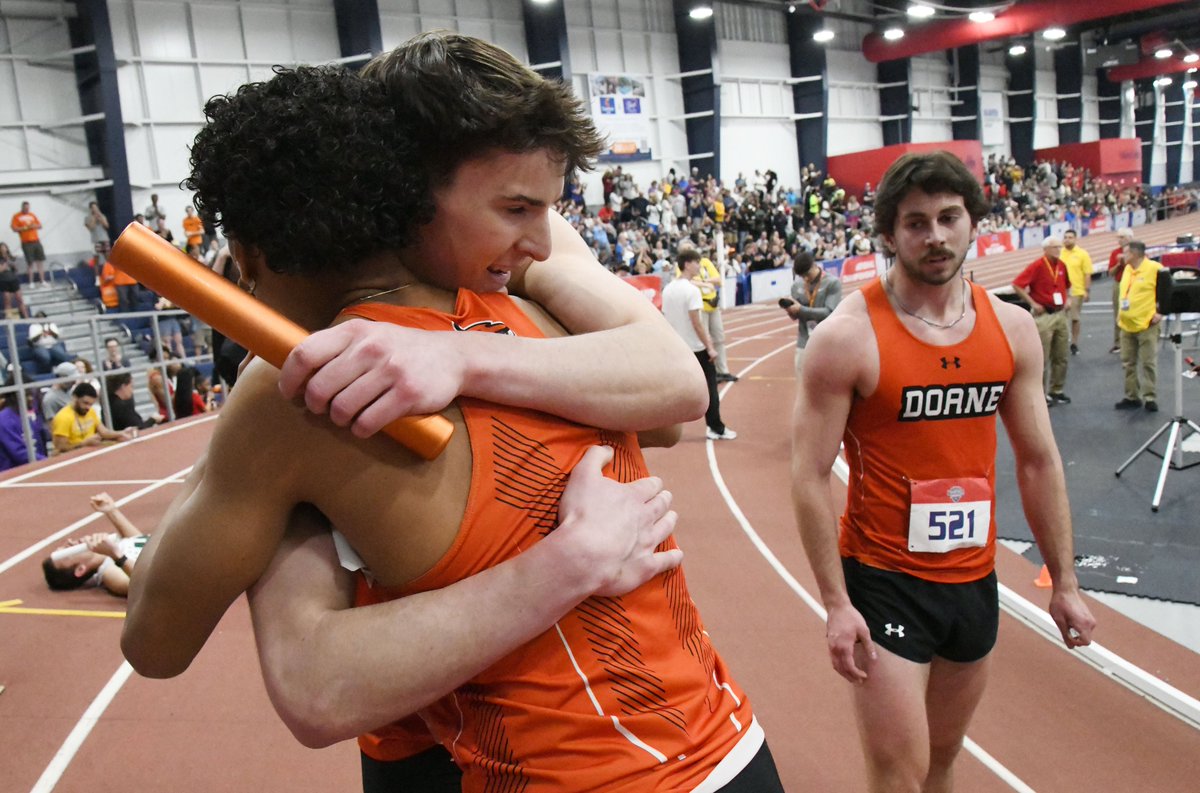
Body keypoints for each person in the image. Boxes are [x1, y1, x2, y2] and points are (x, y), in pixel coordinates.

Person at [123, 57, 779, 791]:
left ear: (244, 256)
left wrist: (259, 462)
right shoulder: (546, 311)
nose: (536, 239)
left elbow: (164, 642)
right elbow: (665, 410)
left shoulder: (293, 395)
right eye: (516, 210)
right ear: (411, 198)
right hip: (730, 744)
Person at [792, 151, 1095, 793]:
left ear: (973, 222)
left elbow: (1038, 460)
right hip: (885, 580)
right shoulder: (848, 338)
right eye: (916, 222)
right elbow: (810, 475)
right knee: (899, 771)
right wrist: (835, 602)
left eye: (949, 217)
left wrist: (1064, 582)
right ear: (888, 235)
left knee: (943, 757)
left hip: (972, 580)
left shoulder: (1010, 329)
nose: (935, 236)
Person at [663, 248, 736, 441]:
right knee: (711, 388)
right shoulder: (692, 291)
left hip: (677, 348)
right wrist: (710, 347)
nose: (699, 265)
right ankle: (715, 427)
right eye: (696, 262)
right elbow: (697, 322)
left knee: (674, 389)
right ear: (687, 264)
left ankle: (664, 428)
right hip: (695, 348)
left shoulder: (668, 289)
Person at [41, 492, 147, 596]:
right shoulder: (109, 572)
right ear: (80, 569)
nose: (70, 542)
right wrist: (117, 556)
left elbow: (140, 541)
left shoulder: (117, 550)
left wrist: (111, 511)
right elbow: (145, 585)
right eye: (67, 550)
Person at [1011, 236, 1072, 405]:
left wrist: (1069, 299)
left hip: (1060, 315)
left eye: (1059, 247)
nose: (1058, 250)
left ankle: (1057, 390)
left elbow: (1067, 284)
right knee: (1042, 357)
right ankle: (1040, 394)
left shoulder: (1061, 265)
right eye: (1055, 247)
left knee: (1061, 355)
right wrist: (1032, 303)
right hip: (1044, 316)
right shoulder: (1037, 265)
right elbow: (1017, 284)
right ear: (1045, 249)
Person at [1114, 240, 1164, 413]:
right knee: (1128, 362)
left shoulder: (1155, 268)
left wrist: (1160, 311)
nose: (1122, 255)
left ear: (1134, 254)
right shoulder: (1127, 268)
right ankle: (1131, 396)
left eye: (1125, 252)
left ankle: (1150, 397)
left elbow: (1166, 291)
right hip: (1126, 325)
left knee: (1148, 362)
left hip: (1146, 324)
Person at [782, 250, 841, 377]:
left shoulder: (832, 283)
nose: (805, 278)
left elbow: (829, 312)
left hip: (827, 342)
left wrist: (801, 310)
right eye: (802, 276)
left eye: (807, 274)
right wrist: (791, 311)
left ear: (814, 266)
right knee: (803, 386)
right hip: (804, 341)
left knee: (828, 385)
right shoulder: (797, 286)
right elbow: (795, 316)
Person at [49, 382, 132, 453]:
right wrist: (83, 444)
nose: (88, 407)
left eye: (91, 404)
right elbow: (60, 448)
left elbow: (103, 432)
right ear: (75, 398)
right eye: (85, 403)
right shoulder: (63, 418)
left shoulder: (90, 411)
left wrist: (121, 433)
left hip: (90, 452)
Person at [0, 374, 46, 471]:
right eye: (27, 395)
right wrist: (47, 462)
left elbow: (38, 446)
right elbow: (19, 454)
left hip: (31, 469)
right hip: (12, 474)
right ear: (14, 397)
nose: (31, 398)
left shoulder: (25, 416)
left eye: (32, 394)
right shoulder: (4, 420)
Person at [1060, 229, 1092, 355]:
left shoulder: (1082, 254)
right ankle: (1062, 341)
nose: (1067, 239)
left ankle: (1074, 342)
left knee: (1075, 318)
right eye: (1065, 237)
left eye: (1070, 237)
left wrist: (1086, 290)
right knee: (1060, 319)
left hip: (1076, 291)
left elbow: (1087, 273)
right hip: (1060, 292)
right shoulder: (1060, 253)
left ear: (1075, 239)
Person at [1107, 228, 1135, 354]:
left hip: (1133, 286)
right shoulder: (1115, 253)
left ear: (1129, 238)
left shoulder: (1136, 251)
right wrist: (1119, 264)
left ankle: (1133, 341)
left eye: (1122, 237)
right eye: (1118, 237)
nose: (1119, 240)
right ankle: (1118, 342)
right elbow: (1110, 272)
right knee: (1118, 313)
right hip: (1119, 284)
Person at [10, 201, 47, 287]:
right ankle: (31, 282)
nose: (27, 209)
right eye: (25, 208)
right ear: (22, 207)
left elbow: (40, 226)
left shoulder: (32, 215)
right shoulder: (17, 216)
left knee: (40, 262)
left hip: (36, 241)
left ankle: (42, 280)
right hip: (26, 242)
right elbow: (14, 228)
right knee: (30, 263)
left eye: (28, 208)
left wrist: (35, 226)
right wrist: (26, 227)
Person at [0, 241, 29, 318]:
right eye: (2, 247)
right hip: (4, 281)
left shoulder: (10, 257)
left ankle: (26, 317)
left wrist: (13, 265)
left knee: (20, 299)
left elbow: (16, 270)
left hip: (14, 280)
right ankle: (9, 319)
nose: (4, 249)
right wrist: (6, 264)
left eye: (5, 247)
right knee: (7, 300)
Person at [84, 201, 110, 266]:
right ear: (90, 209)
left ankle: (110, 272)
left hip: (104, 238)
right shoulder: (87, 218)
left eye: (96, 207)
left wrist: (101, 219)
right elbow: (91, 228)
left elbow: (107, 226)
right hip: (95, 240)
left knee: (107, 256)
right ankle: (97, 276)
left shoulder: (102, 216)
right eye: (93, 208)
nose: (95, 209)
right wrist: (94, 219)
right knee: (96, 258)